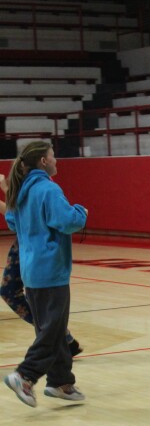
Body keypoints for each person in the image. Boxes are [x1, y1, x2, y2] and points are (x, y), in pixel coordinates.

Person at [3, 142, 88, 407]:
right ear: (43, 161)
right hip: (51, 271)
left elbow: (12, 221)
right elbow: (68, 220)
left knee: (53, 328)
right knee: (52, 331)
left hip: (31, 272)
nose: (56, 161)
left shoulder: (21, 191)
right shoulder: (48, 189)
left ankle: (61, 383)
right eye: (53, 156)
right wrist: (81, 211)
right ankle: (25, 375)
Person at [1, 173, 84, 357]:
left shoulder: (42, 186)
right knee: (12, 293)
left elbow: (18, 215)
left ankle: (35, 366)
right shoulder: (34, 184)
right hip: (27, 243)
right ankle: (60, 340)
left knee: (30, 296)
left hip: (33, 247)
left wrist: (7, 191)